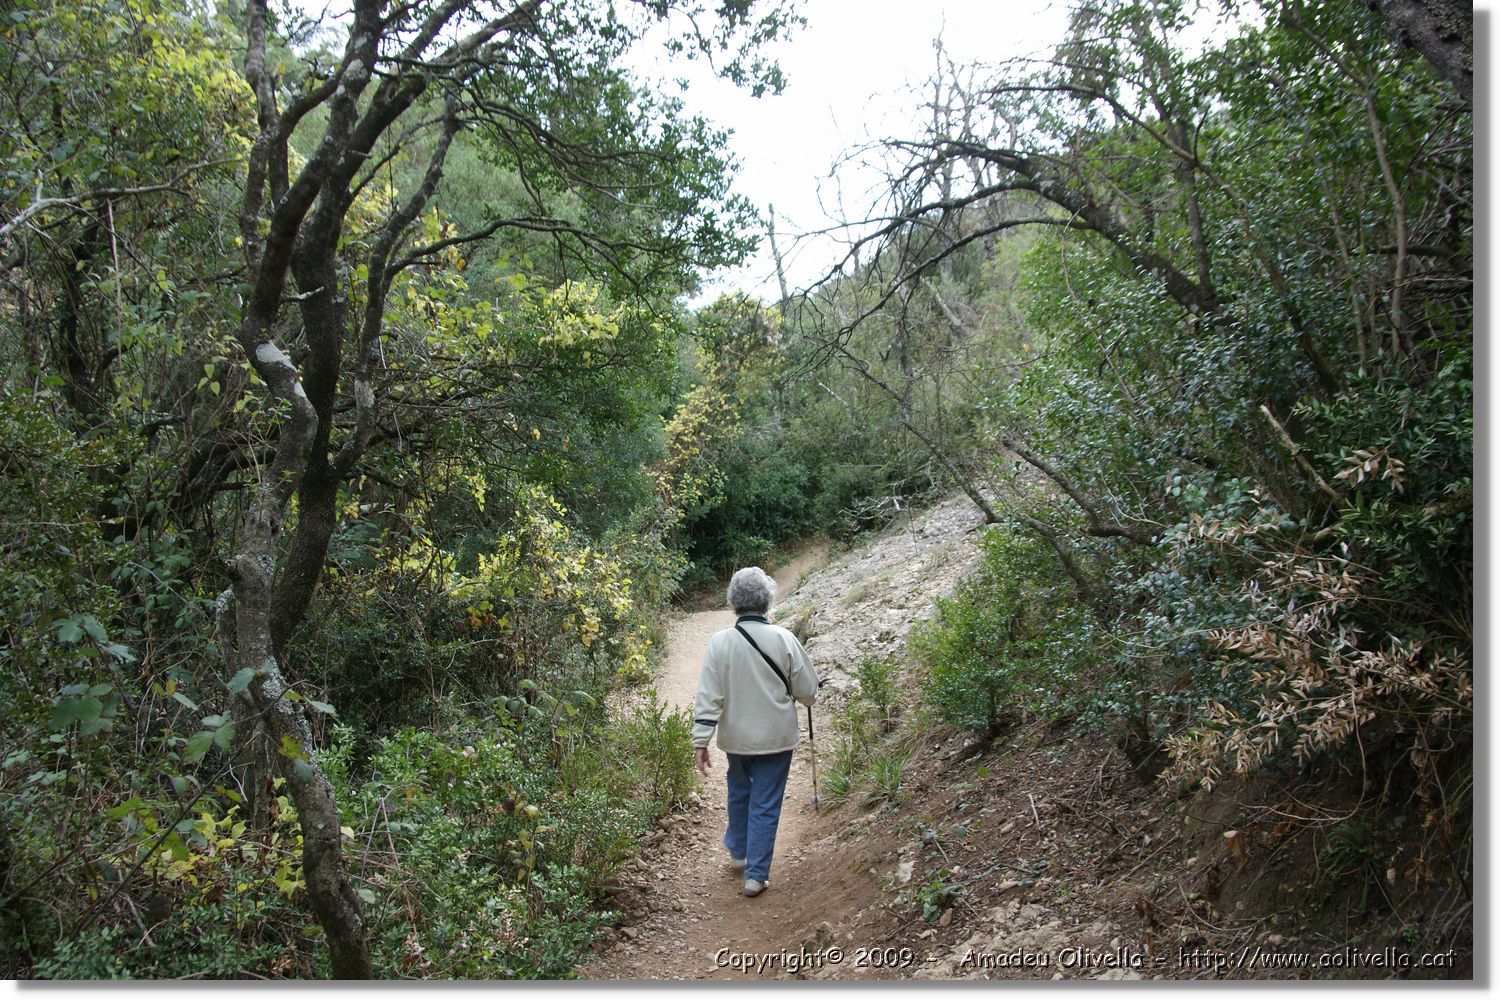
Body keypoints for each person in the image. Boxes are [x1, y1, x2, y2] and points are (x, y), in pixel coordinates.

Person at [692, 566, 819, 898]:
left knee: (738, 790)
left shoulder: (719, 643)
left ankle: (739, 852)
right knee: (765, 801)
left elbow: (709, 695)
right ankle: (756, 875)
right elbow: (808, 692)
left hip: (736, 739)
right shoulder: (784, 638)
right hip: (776, 738)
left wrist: (701, 740)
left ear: (734, 601)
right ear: (767, 600)